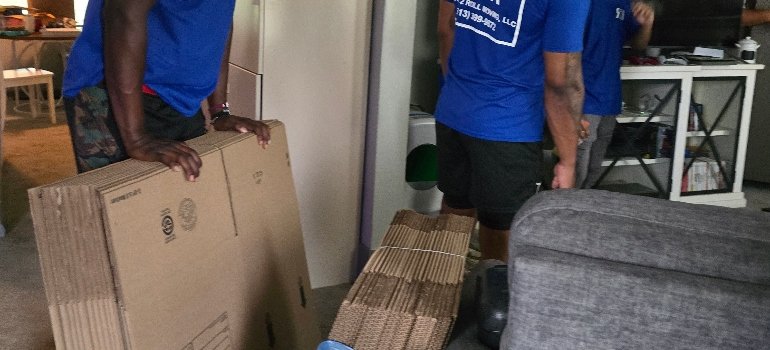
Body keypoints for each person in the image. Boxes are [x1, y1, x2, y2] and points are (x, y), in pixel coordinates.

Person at [435, 0, 590, 262]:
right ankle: (492, 298)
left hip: (454, 109)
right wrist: (568, 161)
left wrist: (458, 86)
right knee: (501, 228)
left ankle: (443, 290)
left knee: (456, 206)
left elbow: (445, 27)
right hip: (508, 127)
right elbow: (561, 80)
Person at [63, 0, 270, 181]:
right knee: (123, 212)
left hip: (181, 100)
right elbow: (123, 13)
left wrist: (220, 111)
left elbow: (219, 18)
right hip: (116, 95)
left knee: (184, 198)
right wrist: (136, 139)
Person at [576, 0, 655, 189]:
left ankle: (583, 209)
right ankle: (565, 210)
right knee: (579, 161)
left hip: (610, 95)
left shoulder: (623, 3)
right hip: (583, 96)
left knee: (595, 166)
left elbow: (638, 46)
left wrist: (648, 23)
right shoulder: (582, 4)